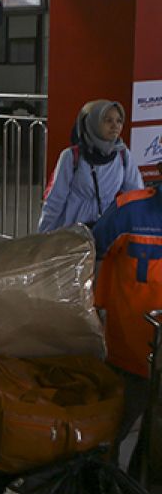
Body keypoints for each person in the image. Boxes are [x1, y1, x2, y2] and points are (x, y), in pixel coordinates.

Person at [92, 185, 162, 474]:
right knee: (107, 437)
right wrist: (93, 309)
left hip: (160, 358)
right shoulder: (128, 211)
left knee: (154, 448)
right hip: (128, 353)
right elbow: (92, 253)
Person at [40, 99, 143, 232]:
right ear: (92, 122)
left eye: (119, 121)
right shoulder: (71, 157)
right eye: (108, 120)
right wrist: (44, 235)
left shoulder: (123, 156)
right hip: (73, 232)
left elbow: (136, 195)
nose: (115, 126)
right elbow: (55, 200)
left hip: (106, 231)